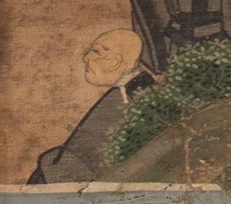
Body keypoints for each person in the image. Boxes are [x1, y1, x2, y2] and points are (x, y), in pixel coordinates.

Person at [28, 29, 148, 187]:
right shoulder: (135, 91)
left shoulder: (123, 101)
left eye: (96, 52)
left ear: (115, 62)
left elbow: (82, 165)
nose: (86, 58)